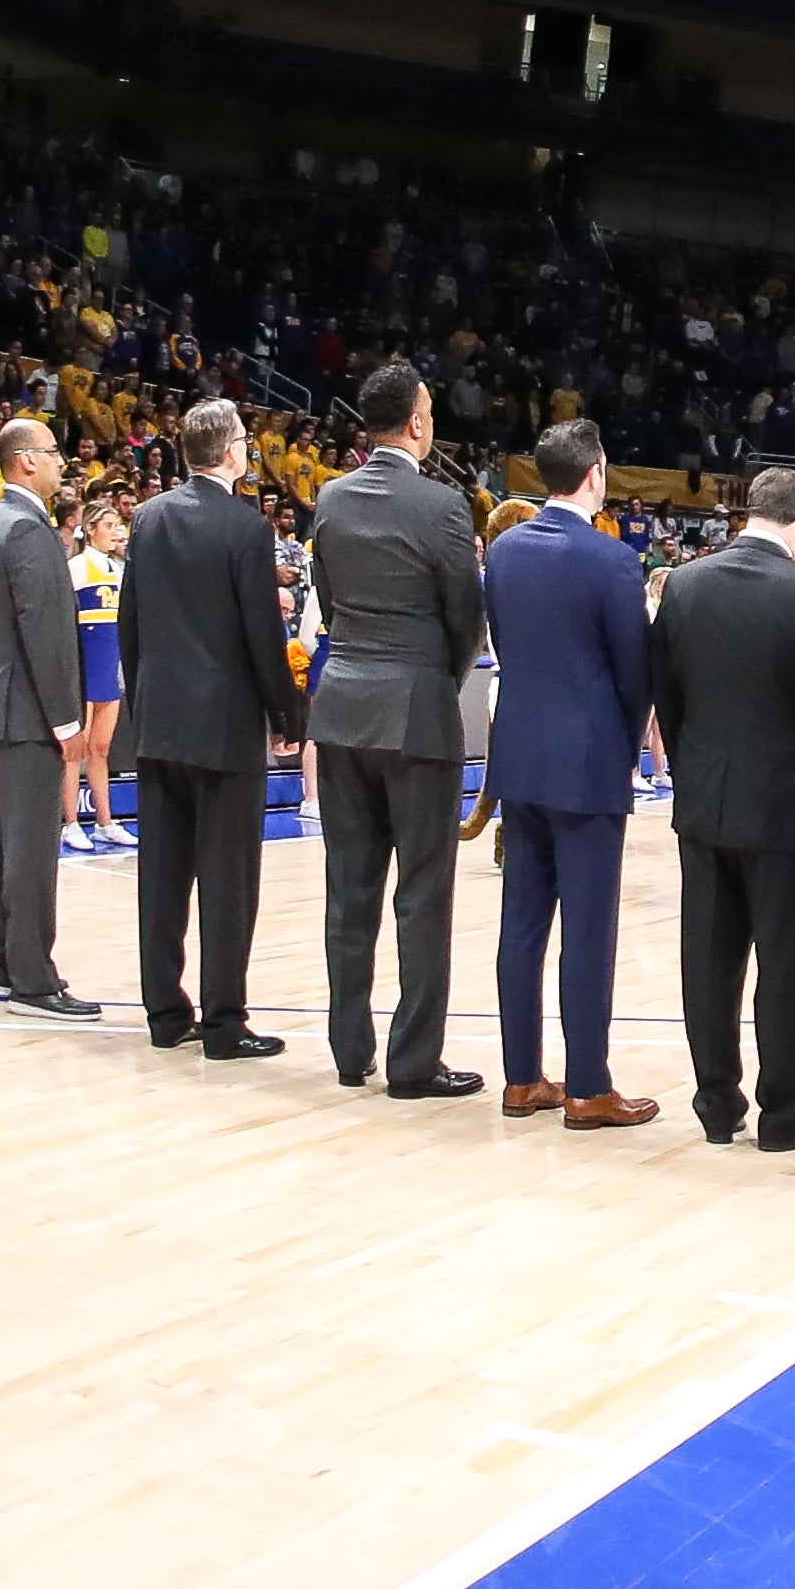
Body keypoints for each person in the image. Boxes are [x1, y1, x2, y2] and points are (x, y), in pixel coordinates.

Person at [309, 360, 489, 1097]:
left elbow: (325, 594)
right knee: (422, 893)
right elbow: (465, 623)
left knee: (348, 890)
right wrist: (435, 681)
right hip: (416, 712)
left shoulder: (329, 497)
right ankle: (414, 1063)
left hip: (343, 706)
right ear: (417, 421)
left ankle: (351, 1052)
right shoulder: (443, 506)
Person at [655, 464, 795, 1152]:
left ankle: (714, 1103)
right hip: (789, 809)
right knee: (790, 965)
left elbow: (667, 700)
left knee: (707, 959)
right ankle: (785, 1114)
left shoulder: (685, 584)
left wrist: (693, 773)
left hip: (704, 800)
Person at [482, 421, 659, 1129]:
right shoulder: (612, 561)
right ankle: (587, 1085)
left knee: (520, 923)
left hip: (517, 755)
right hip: (585, 763)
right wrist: (622, 749)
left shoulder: (503, 551)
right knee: (588, 928)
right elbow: (634, 675)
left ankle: (522, 1078)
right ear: (595, 475)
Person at [116, 399, 299, 1059]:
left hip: (161, 722)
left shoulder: (148, 517)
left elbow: (129, 625)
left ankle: (165, 1013)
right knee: (228, 880)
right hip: (224, 728)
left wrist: (143, 706)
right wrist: (288, 716)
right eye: (245, 441)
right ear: (229, 453)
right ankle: (224, 1023)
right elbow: (261, 636)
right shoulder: (244, 526)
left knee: (161, 876)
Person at [0, 415, 97, 1018]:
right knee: (30, 849)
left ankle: (7, 962)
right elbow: (44, 636)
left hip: (9, 706)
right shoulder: (25, 529)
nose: (59, 463)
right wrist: (68, 721)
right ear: (24, 461)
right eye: (51, 453)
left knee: (8, 845)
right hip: (29, 711)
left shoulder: (3, 521)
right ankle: (33, 980)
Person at [65, 491, 128, 842]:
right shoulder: (76, 566)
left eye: (116, 524)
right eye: (108, 525)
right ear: (89, 530)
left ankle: (104, 822)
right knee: (76, 749)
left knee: (101, 748)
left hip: (108, 665)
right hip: (85, 666)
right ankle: (71, 822)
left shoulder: (115, 568)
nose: (114, 531)